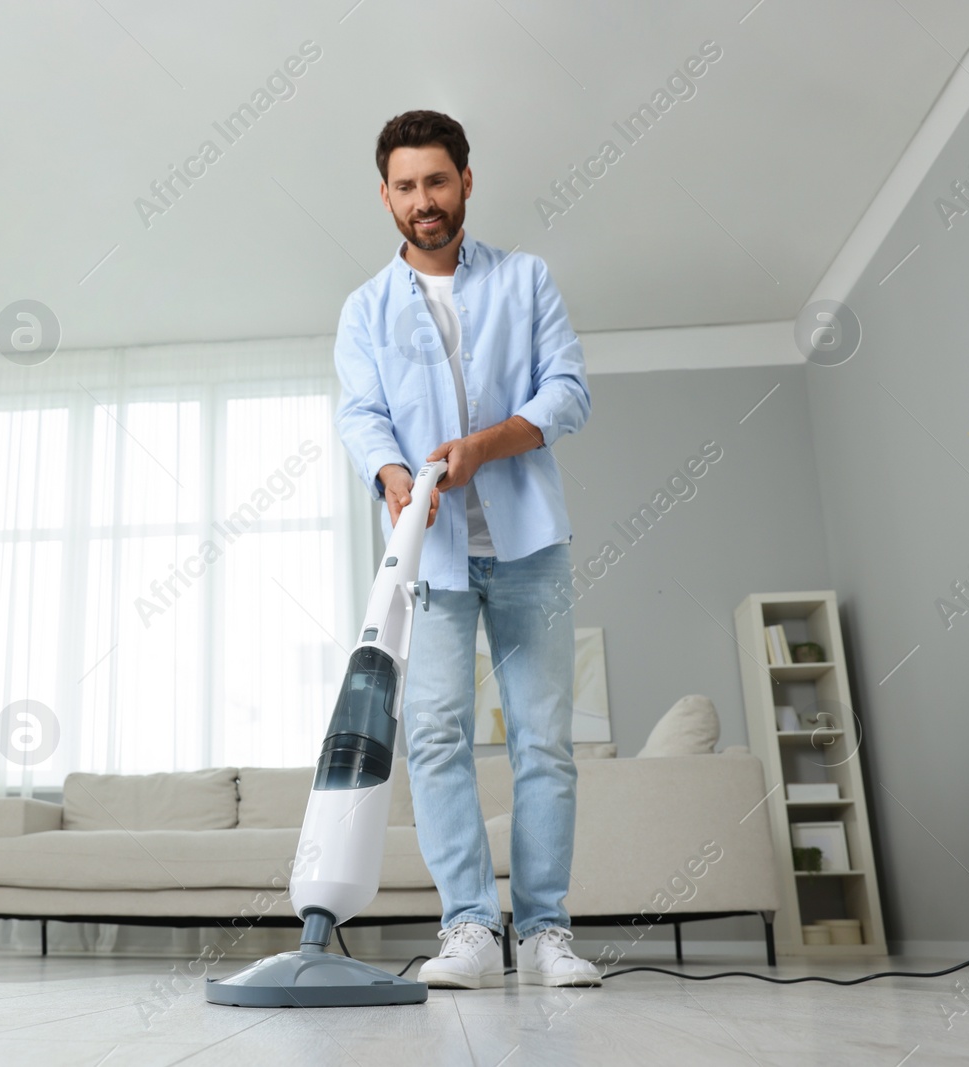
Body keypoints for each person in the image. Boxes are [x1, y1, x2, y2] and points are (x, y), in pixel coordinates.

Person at [333, 110, 600, 990]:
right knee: (437, 737)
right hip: (430, 557)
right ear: (386, 196)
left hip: (530, 549)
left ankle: (549, 929)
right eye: (405, 187)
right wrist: (389, 474)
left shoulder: (526, 280)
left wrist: (486, 445)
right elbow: (362, 413)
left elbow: (567, 389)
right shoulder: (365, 309)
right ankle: (471, 928)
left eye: (437, 182)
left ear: (466, 182)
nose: (423, 202)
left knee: (544, 742)